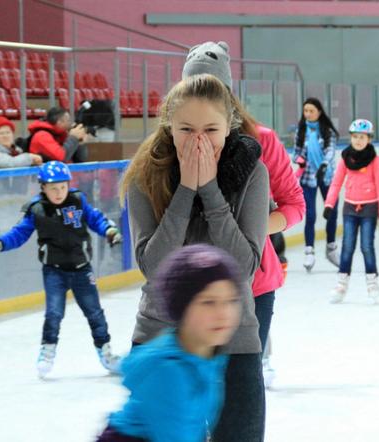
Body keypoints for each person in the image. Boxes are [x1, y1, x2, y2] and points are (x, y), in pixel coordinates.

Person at [120, 74, 270, 442]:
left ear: (229, 127)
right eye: (186, 129)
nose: (198, 141)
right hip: (161, 340)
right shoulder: (146, 176)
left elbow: (244, 267)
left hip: (232, 340)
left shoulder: (253, 174)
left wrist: (211, 192)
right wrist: (186, 189)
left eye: (210, 129)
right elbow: (156, 269)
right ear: (169, 128)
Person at [181, 40, 305, 390]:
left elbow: (294, 205)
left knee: (238, 392)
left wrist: (249, 230)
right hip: (191, 286)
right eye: (193, 88)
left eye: (212, 87)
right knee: (199, 389)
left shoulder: (261, 140)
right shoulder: (172, 142)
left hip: (254, 286)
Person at [0, 161, 123, 378]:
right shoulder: (36, 210)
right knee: (54, 313)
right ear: (42, 187)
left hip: (82, 268)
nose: (59, 192)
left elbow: (96, 219)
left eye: (63, 187)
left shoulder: (77, 201)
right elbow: (18, 234)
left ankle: (106, 352)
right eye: (53, 188)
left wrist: (109, 231)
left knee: (94, 312)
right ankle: (47, 351)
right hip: (54, 271)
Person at [96, 245, 242, 442]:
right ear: (181, 308)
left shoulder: (208, 357)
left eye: (232, 300)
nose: (224, 313)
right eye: (208, 302)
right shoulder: (168, 371)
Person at [323, 119, 379, 304]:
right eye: (355, 137)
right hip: (350, 208)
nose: (358, 141)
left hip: (369, 208)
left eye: (362, 137)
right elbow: (336, 182)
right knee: (347, 247)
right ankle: (341, 285)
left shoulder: (374, 160)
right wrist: (329, 204)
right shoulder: (346, 158)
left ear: (369, 139)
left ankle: (372, 282)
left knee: (367, 246)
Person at [292, 97, 340, 272]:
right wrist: (300, 159)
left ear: (319, 112)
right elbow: (295, 152)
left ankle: (331, 248)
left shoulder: (327, 131)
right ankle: (309, 250)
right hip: (308, 177)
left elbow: (330, 151)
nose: (308, 114)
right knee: (310, 214)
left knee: (332, 212)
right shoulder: (301, 130)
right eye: (306, 111)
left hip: (326, 176)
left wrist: (324, 165)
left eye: (311, 111)